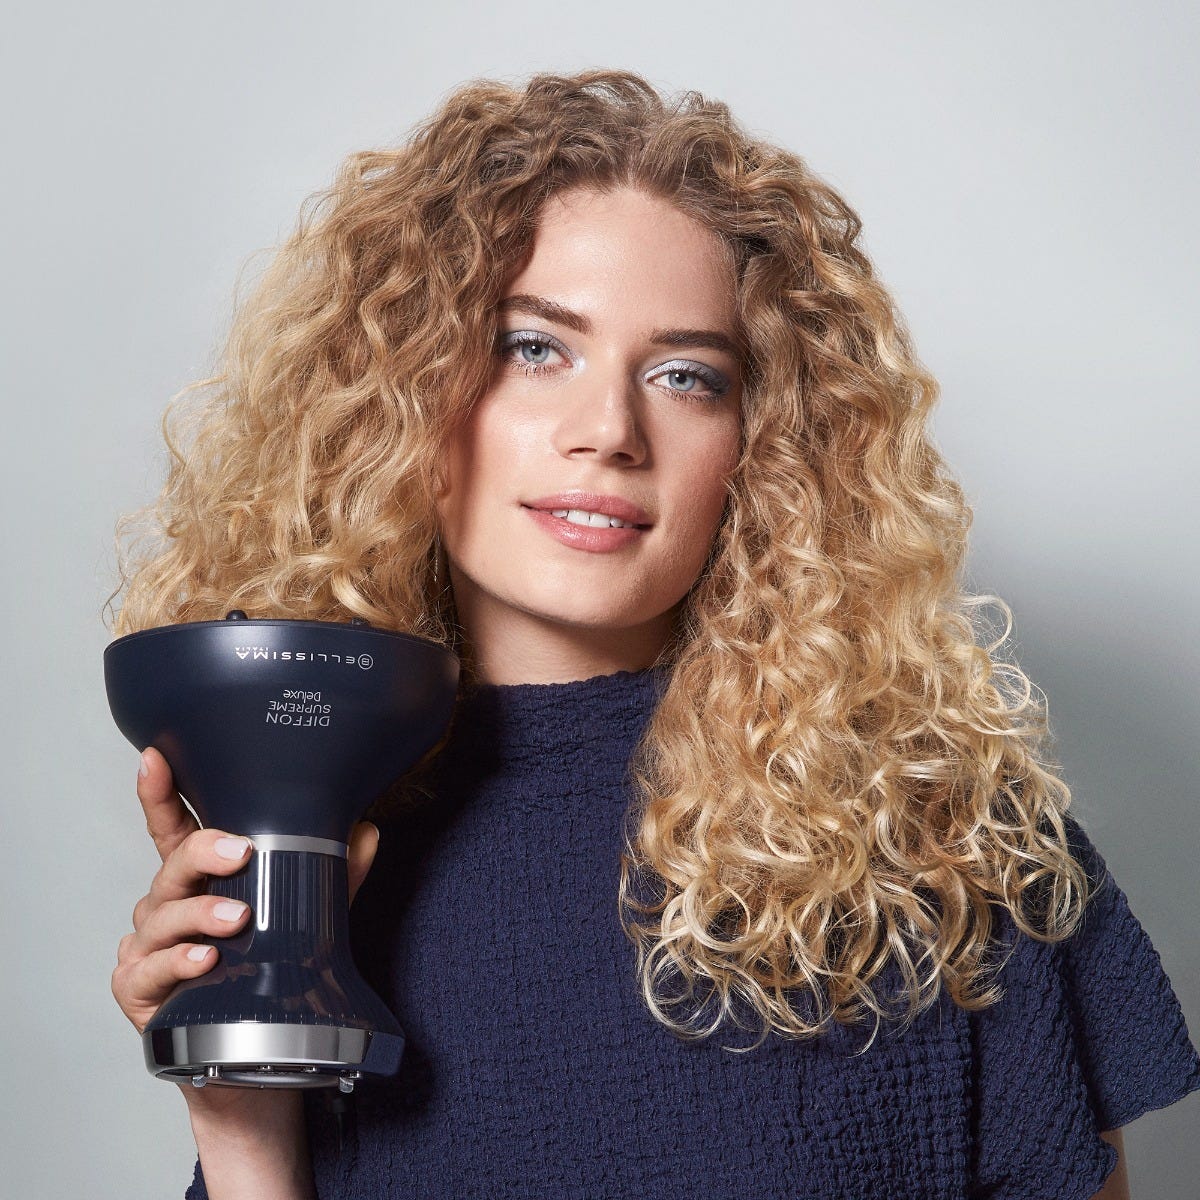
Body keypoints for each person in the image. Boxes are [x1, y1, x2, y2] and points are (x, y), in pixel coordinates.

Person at [109, 69, 1199, 1200]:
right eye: (535, 348)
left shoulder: (939, 834)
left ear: (763, 446)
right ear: (407, 390)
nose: (609, 431)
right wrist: (240, 1121)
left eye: (686, 376)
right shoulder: (326, 846)